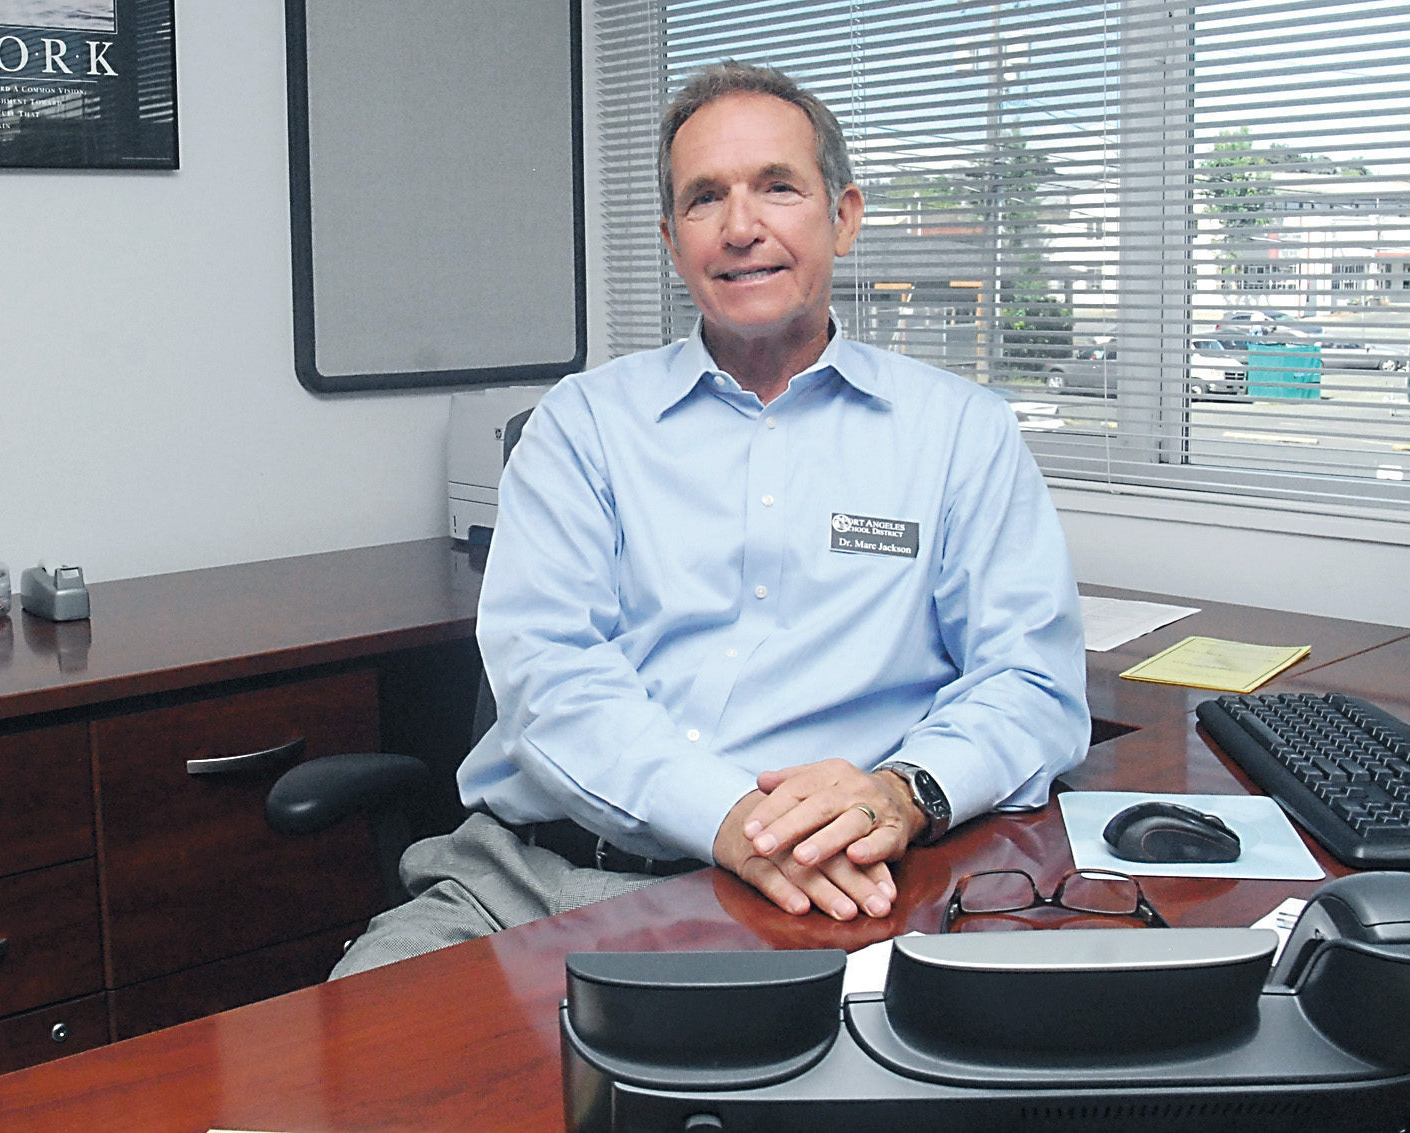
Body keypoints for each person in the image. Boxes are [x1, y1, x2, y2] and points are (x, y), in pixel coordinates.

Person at [331, 61, 1089, 977]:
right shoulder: (582, 427)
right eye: (704, 199)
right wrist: (730, 817)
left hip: (818, 893)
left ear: (841, 216)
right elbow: (553, 676)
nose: (741, 228)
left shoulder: (958, 433)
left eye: (777, 187)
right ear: (670, 237)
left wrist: (905, 791)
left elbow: (1030, 682)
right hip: (530, 879)